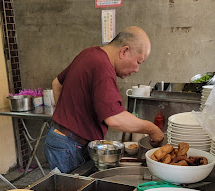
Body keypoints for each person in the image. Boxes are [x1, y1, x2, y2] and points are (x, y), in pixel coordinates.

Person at [44, 26, 165, 174]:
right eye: (138, 62)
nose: (136, 69)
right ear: (124, 51)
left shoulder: (90, 53)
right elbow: (115, 119)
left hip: (62, 139)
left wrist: (66, 117)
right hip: (69, 145)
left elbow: (57, 83)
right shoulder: (102, 66)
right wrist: (152, 129)